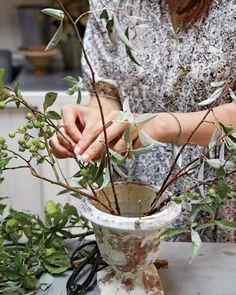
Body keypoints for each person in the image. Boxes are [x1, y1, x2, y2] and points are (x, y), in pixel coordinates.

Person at [50, 0, 236, 242]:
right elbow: (107, 95)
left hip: (214, 191)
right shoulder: (113, 4)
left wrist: (159, 125)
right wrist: (92, 128)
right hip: (134, 192)